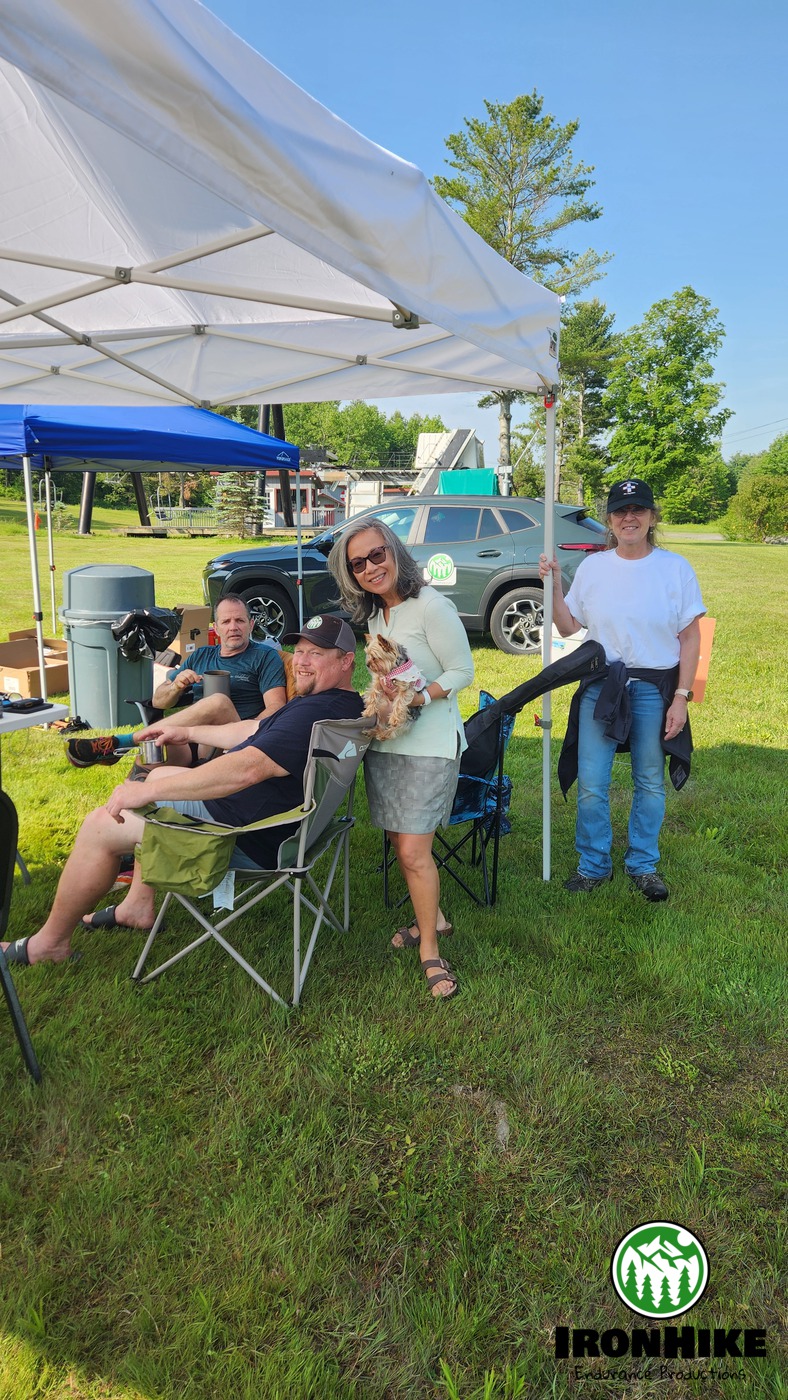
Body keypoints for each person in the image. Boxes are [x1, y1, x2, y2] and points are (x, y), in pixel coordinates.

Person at [3, 617, 361, 965]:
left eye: (316, 653)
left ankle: (48, 944)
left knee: (102, 825)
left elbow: (248, 768)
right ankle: (136, 905)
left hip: (240, 835)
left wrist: (143, 795)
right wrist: (187, 733)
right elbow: (251, 730)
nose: (301, 662)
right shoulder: (342, 704)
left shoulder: (314, 710)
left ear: (346, 661)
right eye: (299, 651)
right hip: (281, 828)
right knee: (157, 777)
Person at [539, 477, 705, 902]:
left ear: (652, 517)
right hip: (602, 686)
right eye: (620, 511)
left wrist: (681, 697)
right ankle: (593, 864)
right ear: (609, 520)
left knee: (649, 779)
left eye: (638, 510)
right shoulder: (593, 568)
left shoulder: (675, 568)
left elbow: (690, 637)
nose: (629, 518)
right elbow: (567, 626)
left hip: (654, 688)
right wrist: (554, 587)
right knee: (592, 783)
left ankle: (643, 864)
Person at [329, 520, 474, 999]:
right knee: (397, 838)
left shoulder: (431, 605)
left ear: (394, 552)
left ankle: (429, 948)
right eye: (358, 563)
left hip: (429, 745)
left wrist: (420, 697)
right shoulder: (377, 615)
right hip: (388, 742)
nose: (370, 568)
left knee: (413, 852)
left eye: (377, 555)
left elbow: (463, 670)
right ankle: (436, 918)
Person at [65, 595, 286, 769]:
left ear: (251, 624)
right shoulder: (201, 655)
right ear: (216, 628)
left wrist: (245, 733)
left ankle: (123, 741)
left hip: (232, 742)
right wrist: (176, 686)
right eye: (226, 621)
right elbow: (158, 702)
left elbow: (276, 707)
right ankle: (125, 793)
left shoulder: (265, 657)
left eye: (240, 620)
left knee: (218, 702)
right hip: (189, 740)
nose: (233, 627)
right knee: (151, 758)